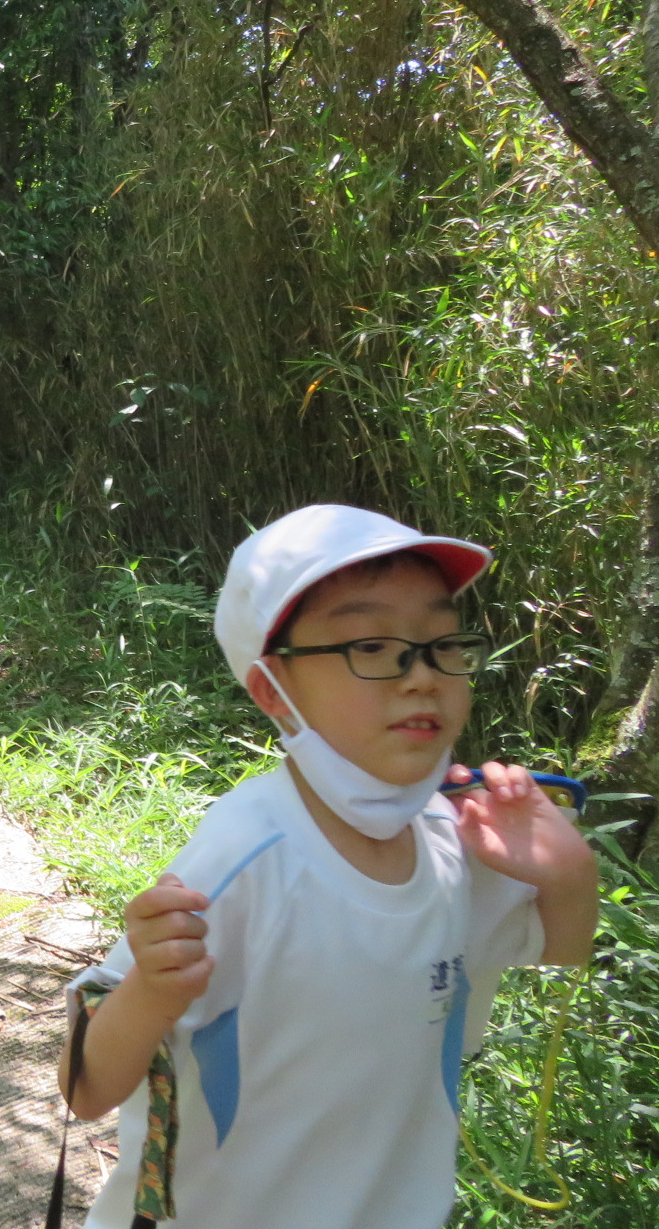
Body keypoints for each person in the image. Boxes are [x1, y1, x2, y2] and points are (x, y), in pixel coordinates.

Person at [60, 504, 598, 1229]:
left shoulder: (451, 834)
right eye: (371, 646)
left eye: (443, 642)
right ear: (272, 691)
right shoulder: (245, 858)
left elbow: (557, 947)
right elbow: (85, 1088)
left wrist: (569, 876)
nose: (421, 677)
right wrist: (153, 989)